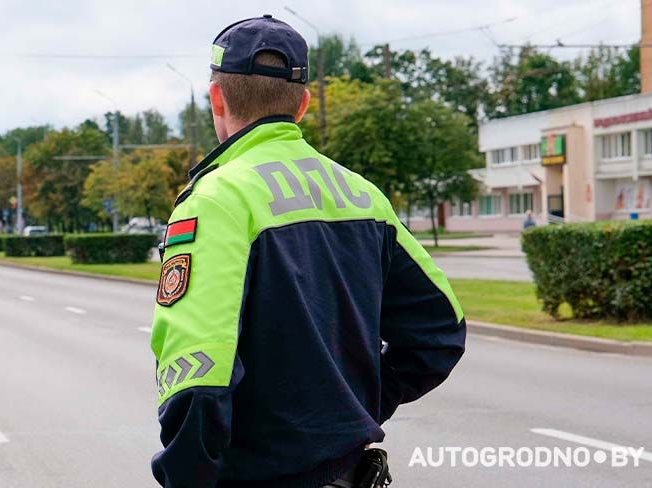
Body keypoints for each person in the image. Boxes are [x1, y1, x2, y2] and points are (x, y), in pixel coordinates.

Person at [149, 15, 466, 488]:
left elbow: (197, 374)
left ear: (216, 97)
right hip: (348, 472)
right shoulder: (363, 195)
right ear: (302, 104)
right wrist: (354, 408)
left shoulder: (217, 199)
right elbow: (439, 333)